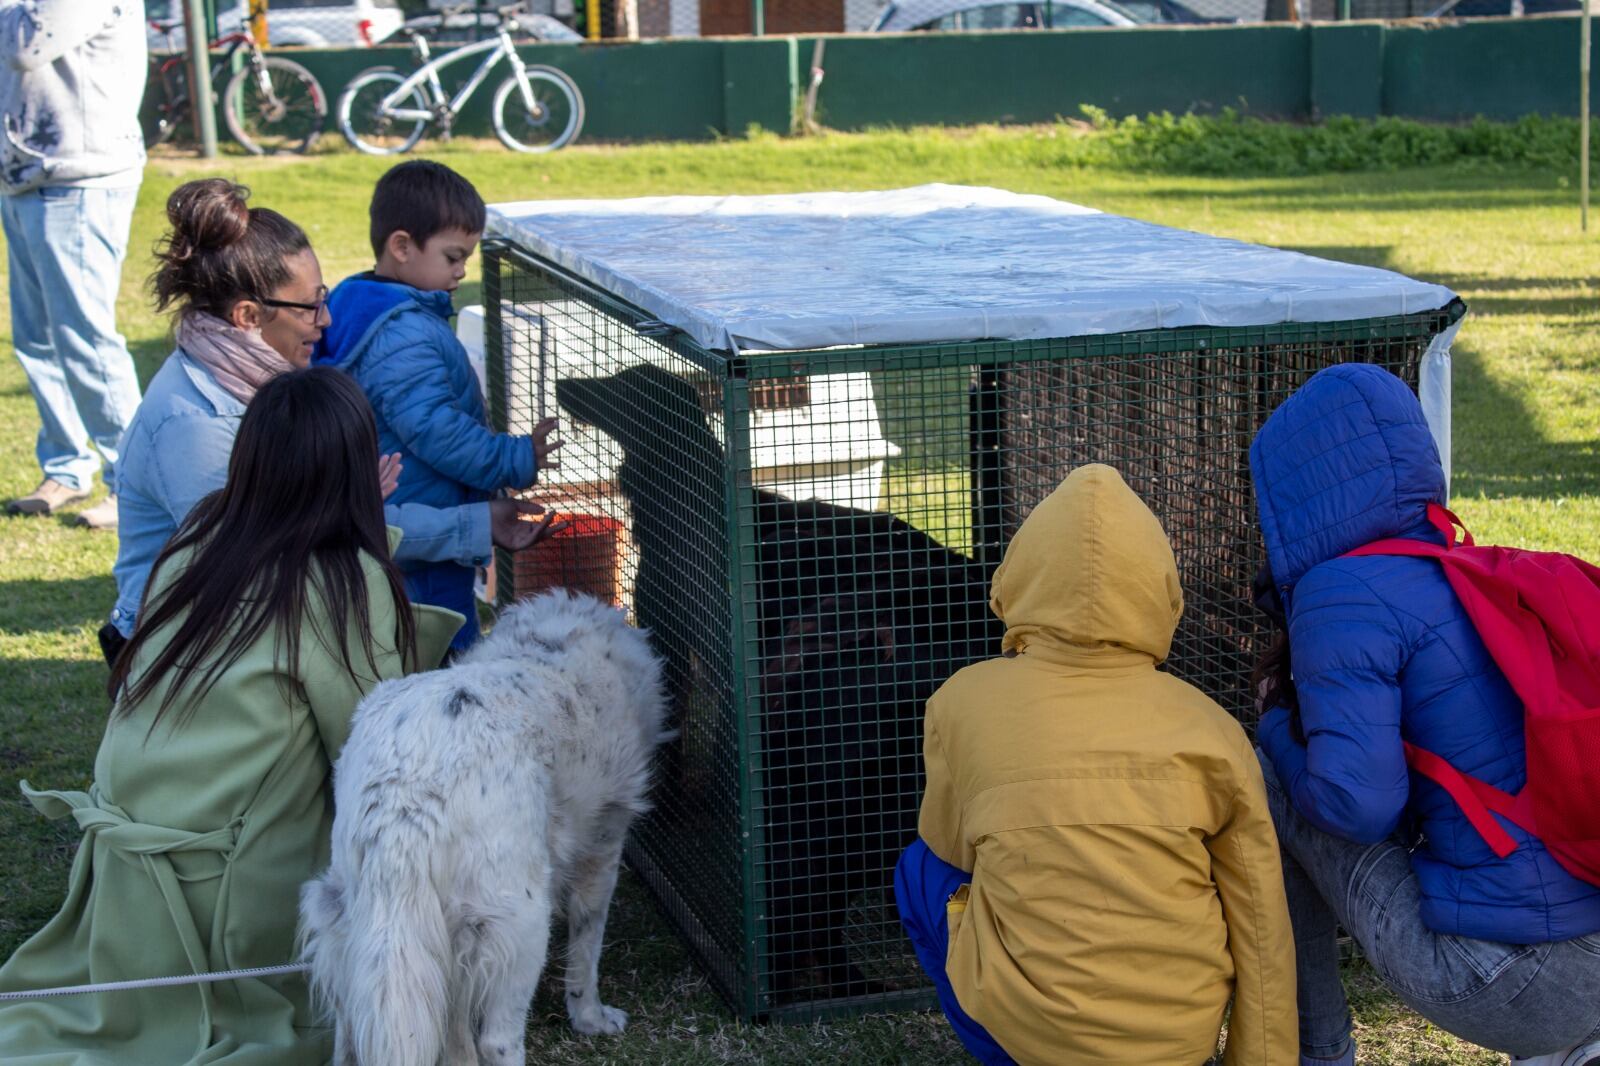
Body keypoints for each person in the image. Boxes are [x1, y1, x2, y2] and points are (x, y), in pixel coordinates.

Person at [0, 367, 463, 1064]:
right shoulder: (341, 582)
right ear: (354, 471)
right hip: (224, 900)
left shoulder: (202, 534)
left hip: (119, 889)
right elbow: (376, 752)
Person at [1250, 362, 1600, 1066]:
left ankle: (1316, 1053)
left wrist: (1271, 729)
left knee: (1269, 777)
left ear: (1289, 493)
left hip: (1514, 981)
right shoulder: (1466, 572)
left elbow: (1358, 806)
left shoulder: (1339, 590)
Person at [894, 463, 1297, 1066]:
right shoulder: (1214, 730)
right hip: (1176, 1046)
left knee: (919, 868)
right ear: (1159, 590)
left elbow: (954, 844)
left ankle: (1007, 1040)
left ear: (1023, 575)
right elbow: (1261, 923)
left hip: (1028, 1032)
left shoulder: (960, 700)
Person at [108, 178, 553, 664]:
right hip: (190, 655)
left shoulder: (267, 388)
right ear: (247, 317)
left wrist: (468, 523)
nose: (326, 322)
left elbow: (326, 528)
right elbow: (285, 560)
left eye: (324, 298)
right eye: (310, 307)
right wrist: (358, 508)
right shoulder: (198, 427)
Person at [315, 159, 560, 652]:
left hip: (416, 526)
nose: (461, 271)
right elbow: (436, 428)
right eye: (452, 256)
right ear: (402, 247)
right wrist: (512, 457)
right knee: (444, 651)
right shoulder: (403, 332)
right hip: (419, 549)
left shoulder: (376, 309)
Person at [1, 0, 147, 528]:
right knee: (37, 337)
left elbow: (25, 45)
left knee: (85, 338)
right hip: (28, 175)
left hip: (81, 179)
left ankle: (131, 482)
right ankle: (66, 466)